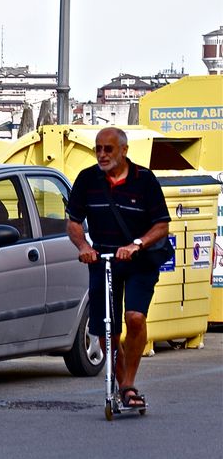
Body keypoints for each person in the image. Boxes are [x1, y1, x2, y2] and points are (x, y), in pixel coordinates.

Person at [66, 127, 170, 409]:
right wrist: (84, 248)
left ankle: (128, 383)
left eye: (108, 149)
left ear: (124, 150)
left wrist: (137, 244)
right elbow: (74, 222)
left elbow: (162, 225)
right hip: (103, 259)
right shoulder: (87, 179)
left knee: (135, 318)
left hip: (139, 261)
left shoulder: (145, 180)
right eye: (98, 149)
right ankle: (124, 384)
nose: (102, 155)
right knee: (105, 327)